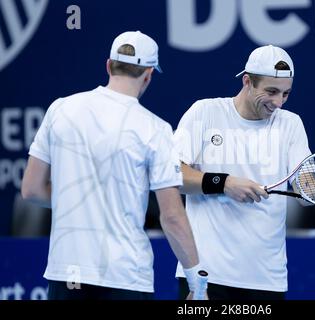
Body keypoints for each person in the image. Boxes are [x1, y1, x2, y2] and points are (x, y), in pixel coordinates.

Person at [21, 31, 206, 300]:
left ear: (109, 65)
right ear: (149, 75)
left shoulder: (60, 109)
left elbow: (32, 190)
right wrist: (196, 280)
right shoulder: (155, 129)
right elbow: (172, 217)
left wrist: (80, 203)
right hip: (125, 278)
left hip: (65, 275)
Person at [173, 45, 315, 299]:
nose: (278, 102)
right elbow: (171, 174)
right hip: (205, 275)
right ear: (247, 81)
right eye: (271, 91)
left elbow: (306, 192)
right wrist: (223, 183)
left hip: (265, 280)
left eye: (286, 93)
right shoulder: (204, 112)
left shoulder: (291, 124)